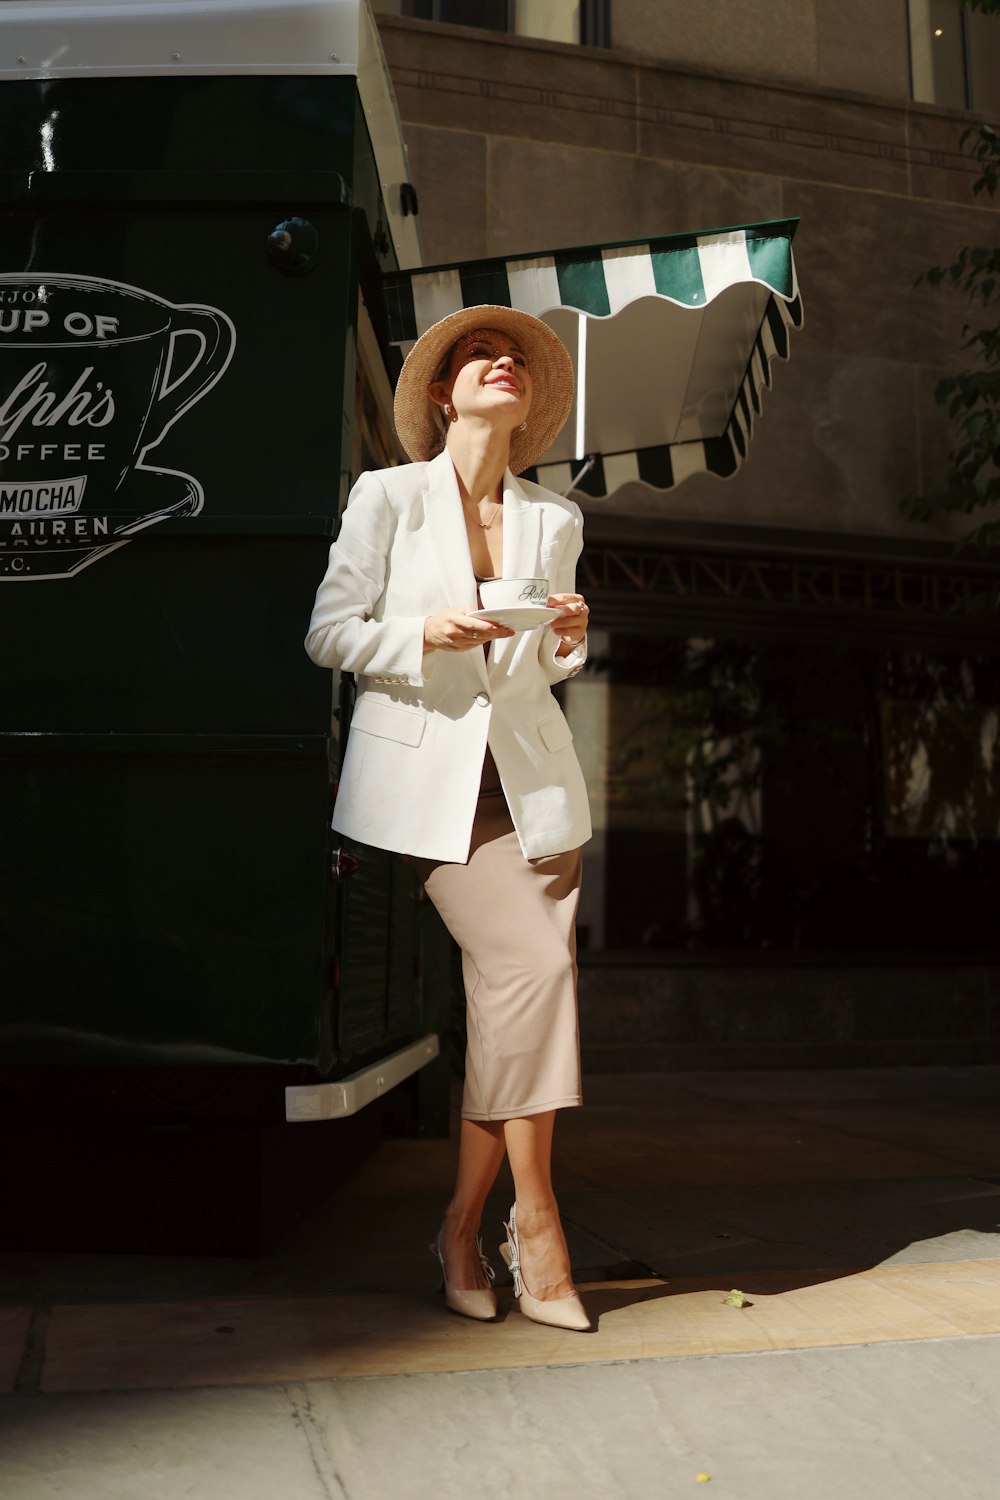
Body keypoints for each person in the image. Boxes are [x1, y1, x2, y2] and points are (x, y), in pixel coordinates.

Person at [305, 305, 592, 1332]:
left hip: (535, 792)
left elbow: (547, 668)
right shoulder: (387, 497)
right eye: (480, 354)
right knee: (536, 975)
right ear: (442, 392)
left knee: (507, 1013)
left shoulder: (553, 521)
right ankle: (541, 1223)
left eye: (513, 357)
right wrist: (424, 630)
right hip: (434, 796)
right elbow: (328, 634)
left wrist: (570, 635)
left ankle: (461, 1229)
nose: (501, 361)